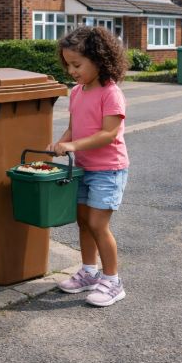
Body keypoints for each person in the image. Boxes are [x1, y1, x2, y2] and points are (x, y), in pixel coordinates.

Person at [47, 26, 130, 307]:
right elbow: (74, 127)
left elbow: (108, 134)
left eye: (77, 65)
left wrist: (72, 146)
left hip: (108, 169)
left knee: (97, 223)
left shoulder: (111, 93)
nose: (72, 71)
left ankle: (113, 281)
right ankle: (89, 272)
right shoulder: (77, 93)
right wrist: (59, 143)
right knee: (83, 221)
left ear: (99, 59)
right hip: (83, 168)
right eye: (68, 65)